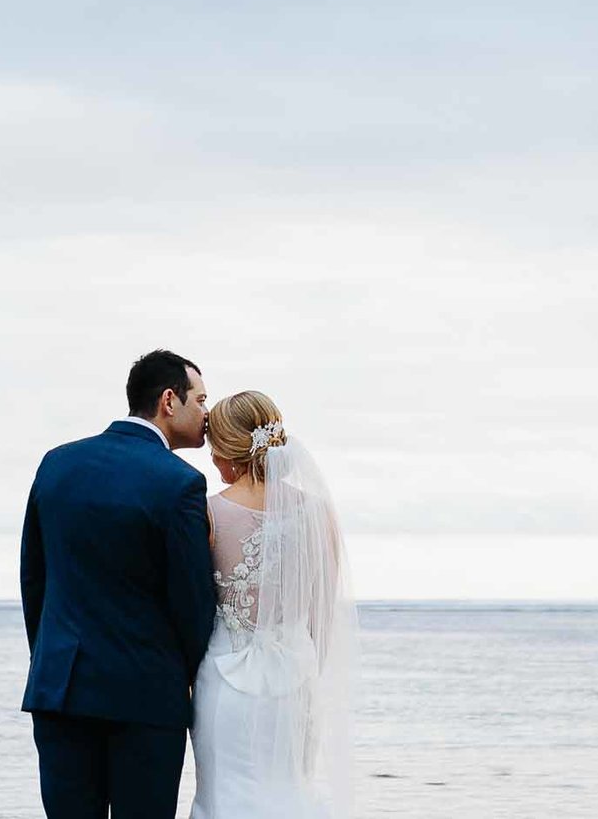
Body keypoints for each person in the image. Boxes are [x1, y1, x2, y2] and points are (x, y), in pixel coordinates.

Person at [21, 349, 218, 819]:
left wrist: (50, 656)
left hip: (61, 690)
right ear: (170, 401)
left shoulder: (56, 464)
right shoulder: (180, 483)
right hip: (146, 698)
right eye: (202, 400)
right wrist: (184, 678)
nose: (207, 414)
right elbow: (193, 604)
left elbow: (34, 578)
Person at [190, 391, 357, 819]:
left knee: (224, 798)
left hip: (226, 681)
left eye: (214, 449)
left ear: (230, 451)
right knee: (291, 790)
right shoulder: (319, 512)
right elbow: (323, 616)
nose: (212, 461)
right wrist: (303, 673)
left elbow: (192, 605)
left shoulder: (208, 512)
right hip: (296, 680)